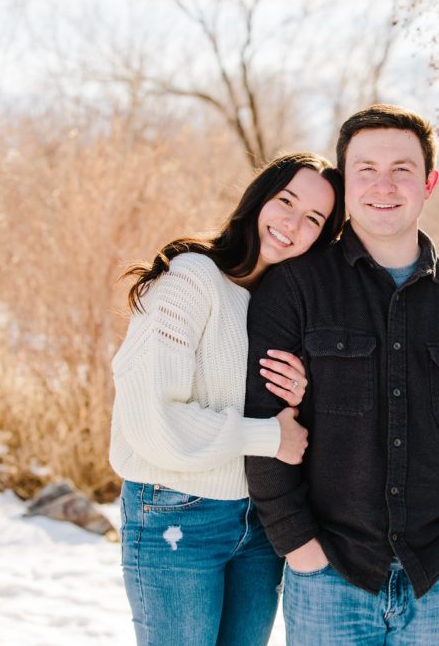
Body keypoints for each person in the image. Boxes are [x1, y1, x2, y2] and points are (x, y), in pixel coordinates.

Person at [244, 105, 439, 645]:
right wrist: (299, 547)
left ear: (429, 183)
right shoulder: (296, 287)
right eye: (366, 169)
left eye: (403, 169)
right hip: (329, 575)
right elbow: (260, 420)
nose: (384, 185)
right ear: (345, 184)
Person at [109, 151, 345, 646]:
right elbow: (153, 420)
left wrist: (298, 394)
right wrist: (268, 434)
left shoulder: (279, 307)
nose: (292, 223)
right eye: (286, 201)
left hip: (258, 521)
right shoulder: (193, 278)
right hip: (177, 513)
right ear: (259, 198)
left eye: (313, 219)